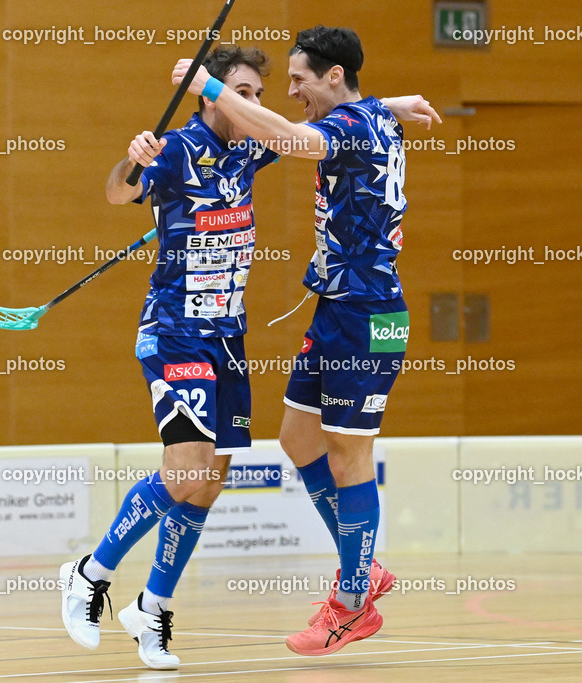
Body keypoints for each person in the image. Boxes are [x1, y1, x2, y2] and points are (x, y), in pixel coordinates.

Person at [172, 26, 441, 656]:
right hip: (336, 311)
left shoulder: (347, 124)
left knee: (349, 456)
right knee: (297, 438)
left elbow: (291, 140)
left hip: (368, 317)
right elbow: (358, 114)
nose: (290, 91)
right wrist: (393, 102)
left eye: (299, 80)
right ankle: (364, 564)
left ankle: (351, 601)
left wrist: (209, 85)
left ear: (335, 78)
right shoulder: (368, 114)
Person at [60, 45, 278, 671]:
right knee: (184, 473)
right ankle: (89, 571)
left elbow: (306, 135)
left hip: (228, 340)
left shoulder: (251, 146)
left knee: (209, 482)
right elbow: (116, 194)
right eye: (242, 90)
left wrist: (391, 107)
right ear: (211, 94)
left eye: (259, 94)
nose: (253, 103)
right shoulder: (179, 150)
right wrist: (131, 162)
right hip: (176, 332)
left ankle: (150, 608)